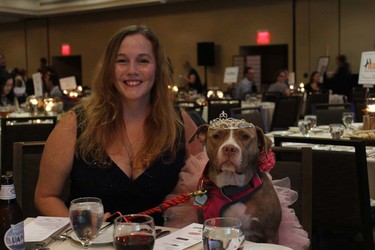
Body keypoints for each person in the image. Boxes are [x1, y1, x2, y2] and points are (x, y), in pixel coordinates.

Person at [34, 25, 206, 226]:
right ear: (109, 68)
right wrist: (81, 224)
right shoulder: (75, 124)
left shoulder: (180, 123)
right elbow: (46, 197)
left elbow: (203, 191)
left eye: (143, 60)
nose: (132, 70)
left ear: (157, 67)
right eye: (122, 61)